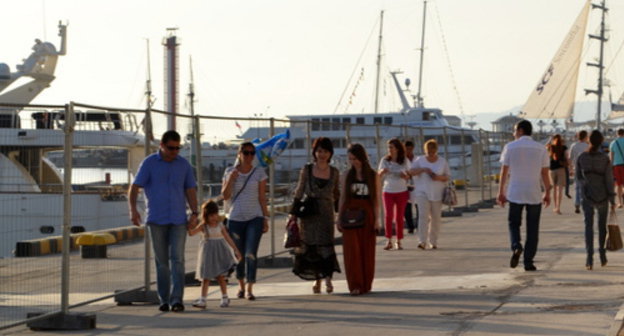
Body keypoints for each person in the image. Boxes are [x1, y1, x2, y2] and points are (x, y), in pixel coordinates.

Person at [128, 130, 198, 313]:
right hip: (156, 219)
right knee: (162, 262)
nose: (174, 151)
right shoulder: (149, 163)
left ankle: (177, 300)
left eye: (177, 148)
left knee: (178, 260)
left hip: (178, 220)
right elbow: (135, 187)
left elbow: (190, 190)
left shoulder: (183, 165)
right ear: (162, 145)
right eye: (171, 148)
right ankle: (164, 299)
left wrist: (195, 213)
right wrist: (133, 210)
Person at [497, 120, 551, 272]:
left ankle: (516, 245)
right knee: (533, 228)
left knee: (514, 223)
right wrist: (547, 192)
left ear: (520, 131)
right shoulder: (541, 149)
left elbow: (504, 171)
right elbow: (545, 174)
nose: (513, 134)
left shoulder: (510, 147)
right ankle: (528, 262)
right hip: (534, 192)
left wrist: (501, 191)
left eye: (515, 130)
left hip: (515, 192)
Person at [290, 137, 341, 294]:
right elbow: (299, 190)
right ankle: (317, 280)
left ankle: (328, 280)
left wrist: (340, 214)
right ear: (314, 152)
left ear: (330, 153)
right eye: (319, 151)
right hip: (309, 213)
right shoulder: (307, 169)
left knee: (326, 246)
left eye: (325, 151)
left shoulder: (334, 172)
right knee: (311, 247)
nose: (322, 154)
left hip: (326, 213)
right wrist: (293, 213)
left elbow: (336, 194)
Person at [222, 142, 270, 301]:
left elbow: (262, 197)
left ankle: (250, 287)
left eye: (251, 153)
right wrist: (231, 180)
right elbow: (225, 196)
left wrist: (265, 217)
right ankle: (241, 285)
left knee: (251, 253)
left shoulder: (259, 173)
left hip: (254, 217)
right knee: (239, 254)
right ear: (239, 154)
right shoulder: (230, 171)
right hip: (235, 218)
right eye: (245, 153)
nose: (249, 156)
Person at [339, 143, 380, 295]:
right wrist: (339, 218)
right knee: (352, 251)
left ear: (362, 158)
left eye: (356, 158)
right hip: (350, 215)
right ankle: (355, 284)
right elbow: (342, 197)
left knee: (367, 250)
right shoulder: (346, 175)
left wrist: (377, 219)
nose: (353, 162)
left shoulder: (373, 175)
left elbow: (376, 199)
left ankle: (366, 283)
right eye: (350, 159)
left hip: (367, 215)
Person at [189, 200, 241, 308]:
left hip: (220, 252)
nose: (214, 218)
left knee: (220, 276)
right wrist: (191, 224)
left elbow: (228, 238)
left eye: (215, 215)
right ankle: (203, 299)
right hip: (207, 253)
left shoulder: (220, 225)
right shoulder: (203, 226)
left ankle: (225, 297)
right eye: (211, 215)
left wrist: (235, 250)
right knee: (205, 277)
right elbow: (191, 233)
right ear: (206, 216)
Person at [577, 130, 616, 270]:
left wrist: (586, 186)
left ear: (589, 141)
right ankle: (602, 256)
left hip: (587, 195)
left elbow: (578, 179)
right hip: (603, 196)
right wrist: (612, 198)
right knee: (601, 226)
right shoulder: (605, 159)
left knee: (588, 226)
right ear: (601, 142)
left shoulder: (582, 158)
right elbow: (609, 180)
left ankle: (589, 259)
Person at [409, 139, 450, 250]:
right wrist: (422, 169)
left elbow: (447, 176)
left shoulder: (442, 161)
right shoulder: (420, 160)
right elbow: (411, 172)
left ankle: (433, 241)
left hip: (437, 193)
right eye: (428, 151)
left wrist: (438, 177)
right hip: (422, 192)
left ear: (436, 150)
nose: (430, 153)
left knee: (436, 218)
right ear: (425, 150)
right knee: (423, 216)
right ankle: (422, 241)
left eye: (432, 151)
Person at [378, 138, 411, 250]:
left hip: (401, 190)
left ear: (397, 148)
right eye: (388, 147)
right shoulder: (385, 160)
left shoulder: (404, 160)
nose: (389, 150)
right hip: (388, 190)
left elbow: (409, 175)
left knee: (399, 217)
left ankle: (399, 240)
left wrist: (405, 176)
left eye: (391, 147)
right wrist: (382, 172)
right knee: (388, 216)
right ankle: (388, 240)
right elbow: (379, 174)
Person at [568, 130, 589, 214]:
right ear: (585, 137)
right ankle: (585, 203)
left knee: (577, 187)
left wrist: (570, 169)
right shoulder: (587, 146)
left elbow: (570, 158)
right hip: (587, 169)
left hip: (577, 168)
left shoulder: (574, 145)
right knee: (586, 187)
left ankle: (577, 203)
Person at [547, 134, 568, 214]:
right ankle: (558, 207)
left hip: (552, 170)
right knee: (560, 190)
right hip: (561, 169)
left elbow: (544, 147)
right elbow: (567, 157)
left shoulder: (550, 147)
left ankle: (555, 207)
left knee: (554, 189)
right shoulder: (564, 147)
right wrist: (569, 168)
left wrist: (550, 139)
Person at [404, 140, 418, 234]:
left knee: (418, 206)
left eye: (410, 149)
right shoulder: (402, 160)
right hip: (404, 186)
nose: (409, 151)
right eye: (406, 149)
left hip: (416, 185)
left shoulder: (417, 160)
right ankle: (410, 226)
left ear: (413, 148)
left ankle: (419, 225)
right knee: (406, 208)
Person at [609, 129, 624, 208]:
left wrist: (610, 167)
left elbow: (611, 157)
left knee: (619, 184)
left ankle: (620, 202)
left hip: (617, 165)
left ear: (617, 133)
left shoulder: (613, 143)